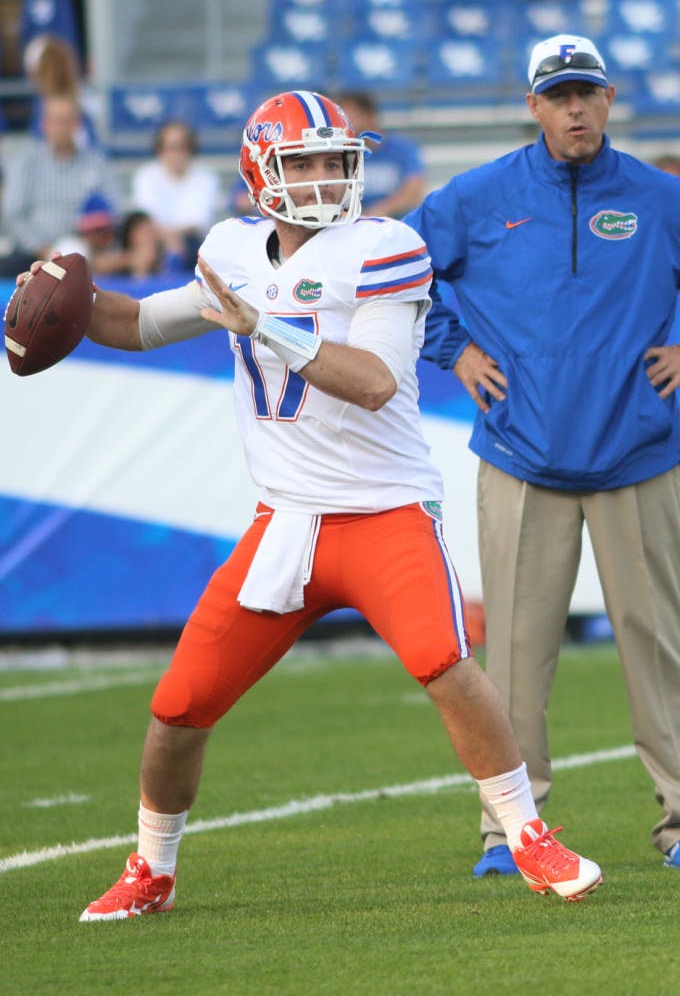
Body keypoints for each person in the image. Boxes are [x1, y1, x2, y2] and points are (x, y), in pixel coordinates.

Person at [18, 90, 602, 920]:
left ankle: (526, 834)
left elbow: (373, 382)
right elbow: (142, 322)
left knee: (444, 664)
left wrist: (263, 325)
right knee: (179, 706)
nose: (328, 177)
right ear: (261, 171)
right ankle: (151, 868)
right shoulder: (232, 249)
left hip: (382, 512)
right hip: (285, 518)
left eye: (337, 161)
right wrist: (59, 300)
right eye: (307, 163)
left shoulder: (383, 247)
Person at [405, 34, 680, 878]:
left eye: (587, 92)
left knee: (657, 646)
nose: (574, 108)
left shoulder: (663, 199)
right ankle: (508, 830)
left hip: (637, 452)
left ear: (610, 99)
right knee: (510, 658)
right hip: (520, 454)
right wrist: (451, 348)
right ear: (532, 105)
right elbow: (395, 271)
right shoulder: (475, 197)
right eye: (558, 94)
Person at [0, 94, 119, 276]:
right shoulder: (26, 163)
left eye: (68, 121)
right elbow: (14, 213)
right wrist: (41, 247)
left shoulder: (96, 163)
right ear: (44, 124)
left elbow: (114, 207)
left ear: (78, 125)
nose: (62, 127)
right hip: (33, 253)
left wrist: (95, 238)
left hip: (87, 251)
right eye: (57, 121)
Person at [130, 119, 220, 271]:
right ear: (160, 150)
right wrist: (169, 239)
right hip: (155, 242)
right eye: (171, 147)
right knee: (144, 247)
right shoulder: (145, 176)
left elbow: (197, 224)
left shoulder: (206, 178)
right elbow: (146, 221)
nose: (176, 154)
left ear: (191, 149)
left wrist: (173, 239)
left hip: (193, 245)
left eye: (182, 147)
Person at [336, 91, 426, 218]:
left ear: (369, 115)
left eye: (350, 116)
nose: (343, 123)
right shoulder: (341, 153)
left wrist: (384, 209)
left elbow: (414, 189)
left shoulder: (402, 148)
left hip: (396, 222)